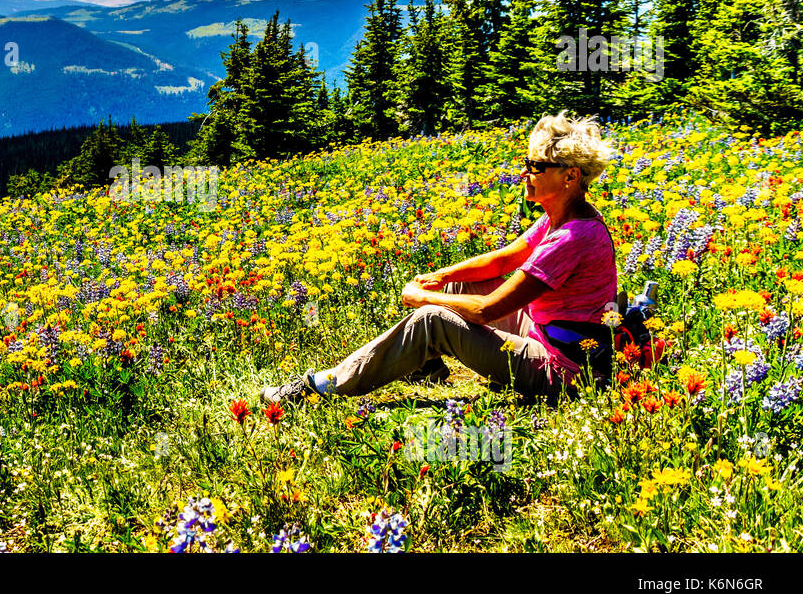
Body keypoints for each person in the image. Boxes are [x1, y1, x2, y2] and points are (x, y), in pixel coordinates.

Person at [261, 111, 618, 405]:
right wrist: (442, 277)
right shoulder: (562, 218)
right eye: (527, 163)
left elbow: (485, 311)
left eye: (536, 166)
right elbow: (502, 261)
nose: (525, 173)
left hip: (565, 371)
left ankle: (318, 388)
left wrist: (424, 297)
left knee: (432, 318)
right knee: (463, 284)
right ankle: (424, 363)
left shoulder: (572, 237)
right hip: (549, 335)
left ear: (570, 176)